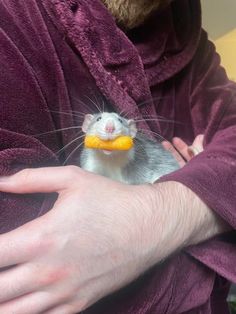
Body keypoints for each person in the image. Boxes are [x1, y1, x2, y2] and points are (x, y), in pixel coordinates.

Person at [0, 0, 235, 313]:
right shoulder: (15, 16)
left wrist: (170, 206)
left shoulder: (185, 31)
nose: (109, 128)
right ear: (87, 126)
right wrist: (212, 188)